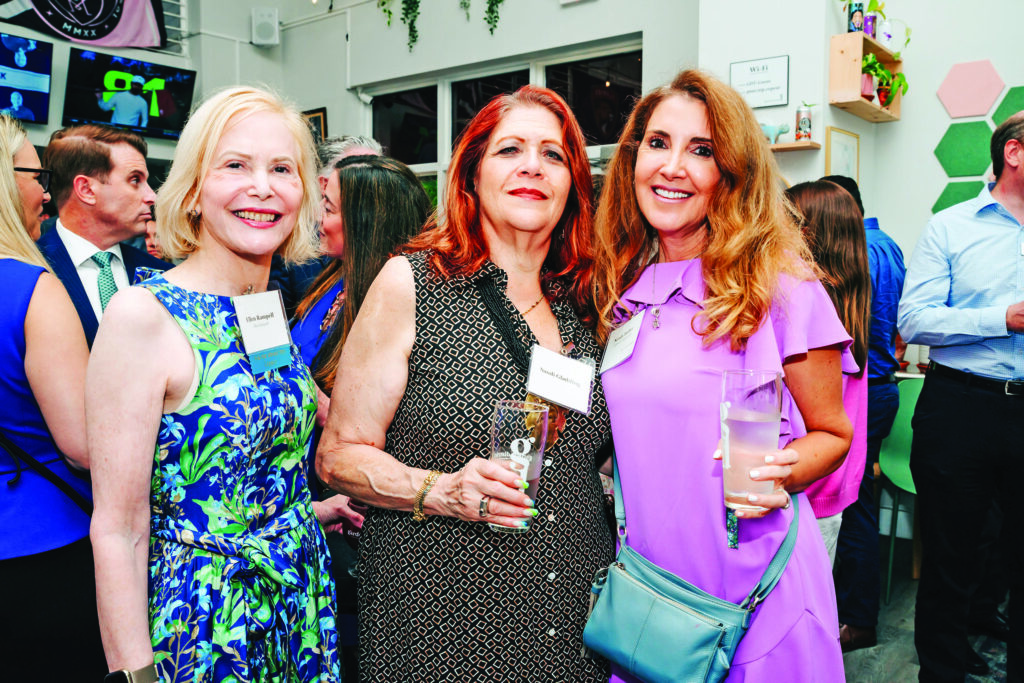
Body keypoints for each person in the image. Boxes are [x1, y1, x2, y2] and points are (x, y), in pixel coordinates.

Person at [316, 85, 613, 681]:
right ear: (472, 176)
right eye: (510, 150)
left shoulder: (589, 302)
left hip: (575, 623)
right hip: (443, 619)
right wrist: (442, 489)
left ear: (573, 185)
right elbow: (339, 456)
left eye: (554, 155)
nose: (533, 166)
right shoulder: (413, 284)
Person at [592, 69, 853, 681]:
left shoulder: (781, 287)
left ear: (732, 172)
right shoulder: (620, 290)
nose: (672, 167)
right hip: (653, 598)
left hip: (758, 593)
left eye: (701, 150)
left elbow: (833, 433)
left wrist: (778, 472)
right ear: (633, 159)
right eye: (658, 143)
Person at [88, 86, 340, 682]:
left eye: (282, 169)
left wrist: (306, 510)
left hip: (299, 607)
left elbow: (255, 458)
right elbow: (119, 529)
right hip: (206, 620)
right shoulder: (143, 316)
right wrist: (135, 675)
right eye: (235, 165)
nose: (263, 187)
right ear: (194, 190)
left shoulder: (262, 306)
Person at [292, 153, 431, 679]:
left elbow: (388, 419)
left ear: (365, 221)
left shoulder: (392, 301)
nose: (318, 219)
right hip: (308, 496)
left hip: (354, 513)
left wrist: (312, 400)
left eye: (328, 208)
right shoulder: (329, 280)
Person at [898, 110, 1024, 682]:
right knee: (950, 559)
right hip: (960, 409)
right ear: (1013, 153)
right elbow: (914, 320)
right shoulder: (950, 227)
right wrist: (1003, 318)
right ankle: (942, 673)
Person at [0, 115, 100, 678]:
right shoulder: (31, 290)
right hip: (41, 545)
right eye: (35, 176)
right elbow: (84, 445)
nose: (45, 193)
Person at [821, 173, 906, 653]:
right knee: (859, 501)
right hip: (882, 385)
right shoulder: (888, 245)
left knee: (849, 505)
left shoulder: (855, 253)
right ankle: (855, 614)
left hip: (860, 388)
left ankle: (855, 618)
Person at [786, 180, 870, 566]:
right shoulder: (850, 299)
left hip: (807, 486)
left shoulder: (810, 307)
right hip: (835, 485)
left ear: (808, 233)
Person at [37, 124, 168, 346]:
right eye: (135, 180)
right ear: (86, 190)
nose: (151, 197)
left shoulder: (163, 275)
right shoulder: (29, 269)